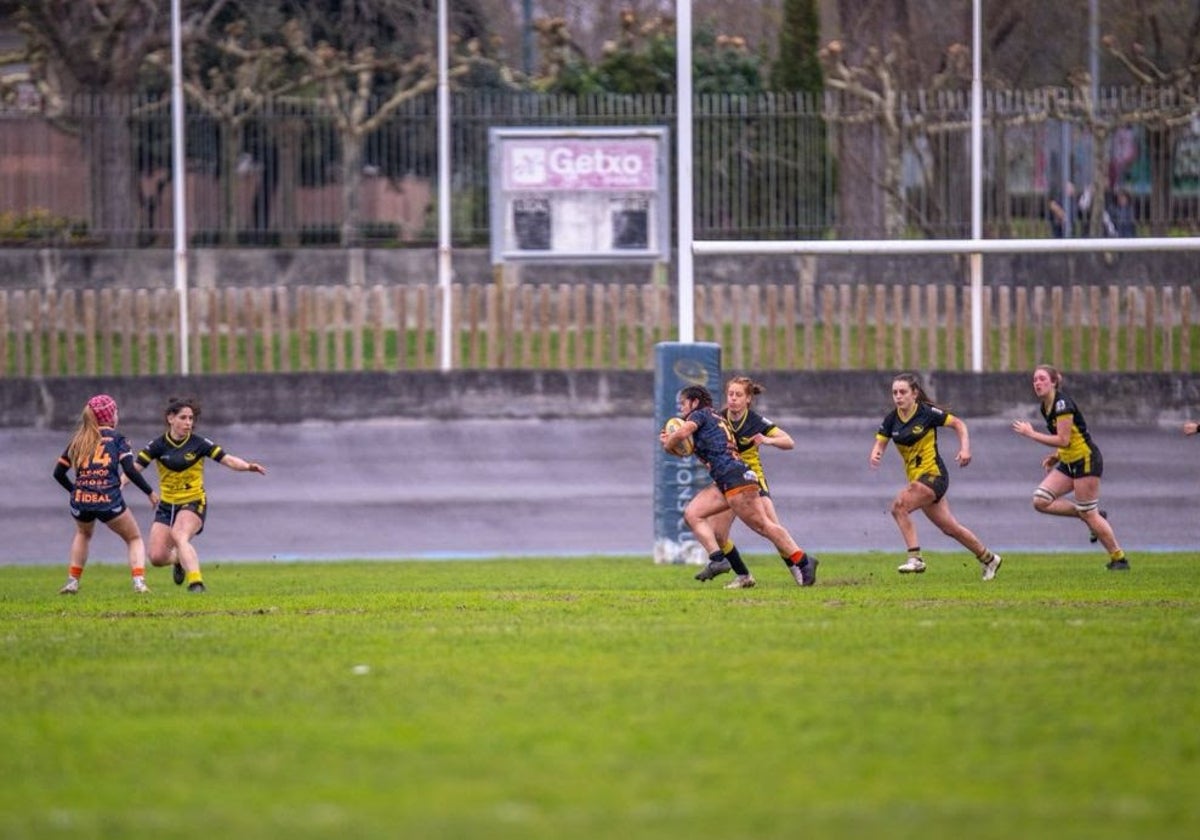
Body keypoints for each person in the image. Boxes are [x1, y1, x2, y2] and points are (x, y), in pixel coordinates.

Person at [661, 385, 818, 589]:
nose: (681, 408)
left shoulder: (700, 414)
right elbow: (685, 449)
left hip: (736, 477)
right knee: (693, 514)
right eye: (730, 394)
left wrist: (668, 443)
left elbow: (683, 432)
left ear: (695, 402)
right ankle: (718, 560)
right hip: (724, 479)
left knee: (763, 526)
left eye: (683, 403)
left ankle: (803, 560)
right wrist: (671, 444)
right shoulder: (712, 418)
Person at [868, 373, 1003, 580]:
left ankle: (915, 558)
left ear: (914, 393)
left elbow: (958, 424)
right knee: (950, 528)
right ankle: (989, 558)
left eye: (903, 392)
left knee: (899, 507)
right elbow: (881, 441)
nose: (898, 396)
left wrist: (965, 449)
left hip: (934, 476)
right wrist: (876, 452)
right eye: (894, 392)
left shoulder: (927, 412)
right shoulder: (891, 419)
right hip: (917, 481)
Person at [134, 396, 267, 593]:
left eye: (191, 418)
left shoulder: (199, 443)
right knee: (156, 557)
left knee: (180, 535)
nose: (188, 423)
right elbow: (134, 469)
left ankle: (196, 583)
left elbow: (228, 460)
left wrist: (248, 466)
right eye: (183, 418)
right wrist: (116, 484)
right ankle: (178, 560)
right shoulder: (157, 446)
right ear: (170, 418)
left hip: (194, 501)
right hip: (166, 505)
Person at [1011, 365, 1130, 571]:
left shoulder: (1062, 405)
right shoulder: (1045, 406)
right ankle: (1093, 515)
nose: (1037, 383)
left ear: (1054, 382)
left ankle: (1119, 559)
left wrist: (1031, 434)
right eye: (1034, 380)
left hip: (1085, 460)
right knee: (1041, 500)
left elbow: (1064, 439)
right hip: (1069, 461)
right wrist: (1056, 457)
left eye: (1041, 379)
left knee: (1088, 512)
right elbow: (1070, 439)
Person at [691, 376, 796, 583]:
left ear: (748, 399)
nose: (733, 399)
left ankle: (799, 568)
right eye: (730, 394)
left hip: (752, 479)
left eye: (739, 395)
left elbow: (789, 442)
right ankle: (744, 576)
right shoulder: (718, 419)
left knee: (770, 528)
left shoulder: (755, 421)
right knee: (718, 534)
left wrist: (766, 440)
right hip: (728, 479)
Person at [52, 394, 159, 594]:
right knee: (134, 538)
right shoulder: (118, 439)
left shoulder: (78, 439)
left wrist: (75, 491)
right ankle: (139, 582)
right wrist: (150, 492)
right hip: (108, 498)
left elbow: (58, 473)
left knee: (83, 533)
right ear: (111, 416)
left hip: (81, 500)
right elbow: (129, 470)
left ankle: (72, 581)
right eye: (116, 411)